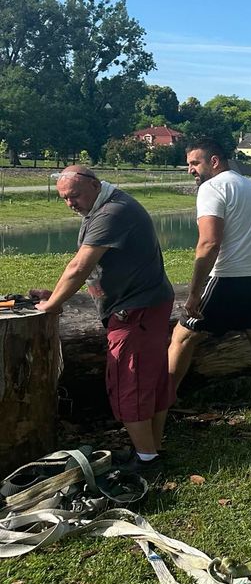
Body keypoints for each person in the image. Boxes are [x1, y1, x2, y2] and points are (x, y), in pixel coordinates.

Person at [35, 166, 175, 476]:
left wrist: (52, 306)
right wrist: (56, 293)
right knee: (149, 379)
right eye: (64, 198)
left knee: (130, 382)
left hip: (136, 310)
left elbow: (79, 267)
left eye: (75, 195)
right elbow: (96, 271)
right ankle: (150, 448)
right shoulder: (107, 205)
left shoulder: (113, 212)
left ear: (95, 186)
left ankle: (148, 462)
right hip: (144, 304)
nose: (70, 203)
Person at [169, 138, 251, 433]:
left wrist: (194, 293)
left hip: (228, 279)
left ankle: (160, 407)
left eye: (195, 163)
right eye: (188, 164)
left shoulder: (212, 188)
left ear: (215, 161)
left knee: (181, 338)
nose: (190, 170)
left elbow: (209, 243)